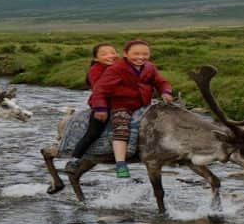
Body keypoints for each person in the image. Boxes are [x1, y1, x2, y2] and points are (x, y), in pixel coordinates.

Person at [91, 40, 173, 178]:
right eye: (136, 54)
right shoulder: (116, 68)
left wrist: (165, 91)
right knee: (121, 128)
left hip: (143, 105)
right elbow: (100, 89)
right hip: (122, 105)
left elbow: (161, 82)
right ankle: (121, 164)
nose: (141, 57)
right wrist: (100, 108)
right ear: (125, 54)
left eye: (145, 54)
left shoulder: (149, 67)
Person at [64, 43, 119, 174]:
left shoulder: (120, 66)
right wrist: (101, 108)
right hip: (103, 105)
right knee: (93, 133)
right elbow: (99, 90)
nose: (110, 56)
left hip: (123, 104)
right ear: (96, 58)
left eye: (112, 52)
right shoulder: (95, 70)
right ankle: (74, 159)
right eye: (104, 54)